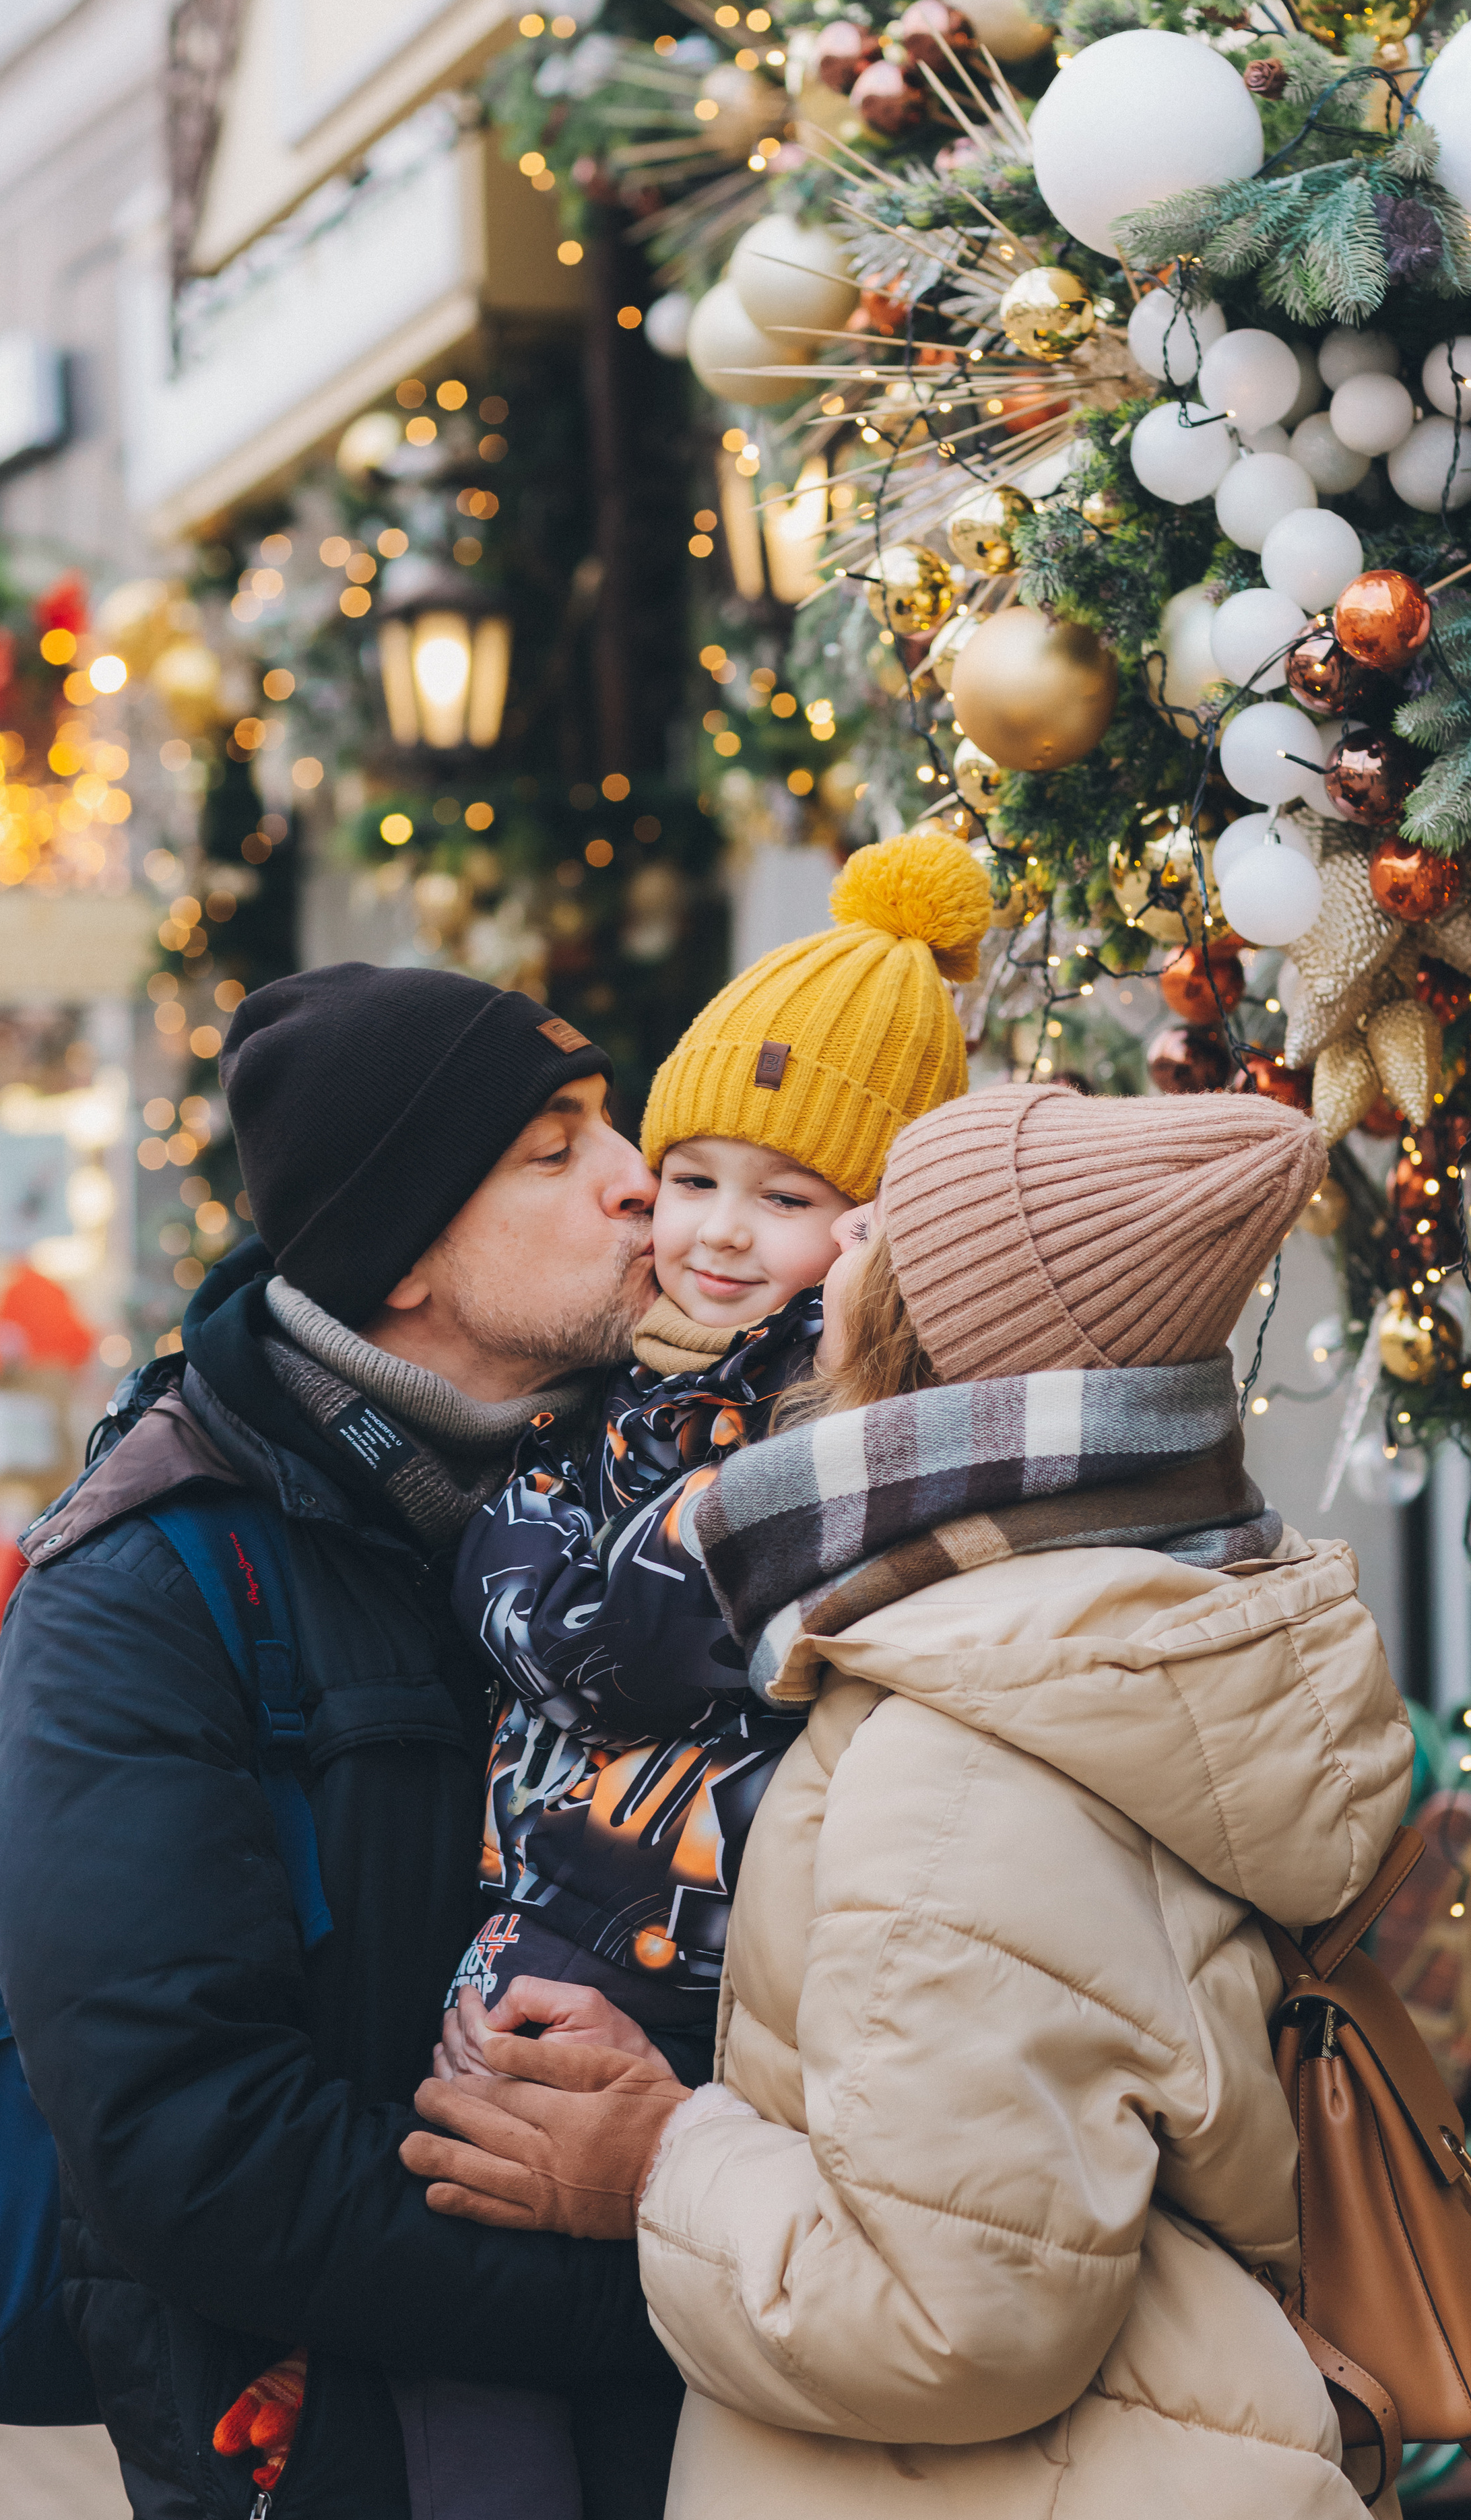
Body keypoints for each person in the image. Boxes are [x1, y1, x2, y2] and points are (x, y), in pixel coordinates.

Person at [402, 1083, 1418, 2520]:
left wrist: (650, 2157)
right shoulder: (1103, 1612)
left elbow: (953, 2323)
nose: (843, 1241)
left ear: (937, 1336)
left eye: (886, 1230)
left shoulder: (960, 1752)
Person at [0, 964, 682, 2520]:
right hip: (352, 2454)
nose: (642, 1181)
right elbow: (189, 2146)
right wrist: (685, 2287)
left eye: (610, 1126)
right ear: (402, 1252)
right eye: (555, 1153)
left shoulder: (657, 1516)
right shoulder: (146, 1582)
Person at [410, 831, 991, 2516]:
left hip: (698, 1962)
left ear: (872, 1223)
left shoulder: (844, 1419)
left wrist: (566, 1612)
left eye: (790, 1200)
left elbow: (639, 1630)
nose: (720, 1235)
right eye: (695, 1178)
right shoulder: (623, 1391)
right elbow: (505, 1563)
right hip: (536, 1909)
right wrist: (560, 1601)